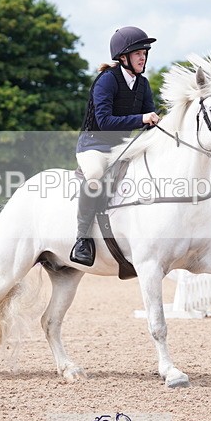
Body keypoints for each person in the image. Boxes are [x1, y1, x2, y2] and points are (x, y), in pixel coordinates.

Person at [70, 26, 160, 266]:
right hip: (94, 144)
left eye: (145, 52)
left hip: (123, 146)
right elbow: (105, 121)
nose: (143, 57)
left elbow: (149, 119)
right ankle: (82, 239)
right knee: (95, 175)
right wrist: (142, 118)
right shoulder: (106, 81)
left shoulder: (142, 84)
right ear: (123, 57)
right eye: (138, 53)